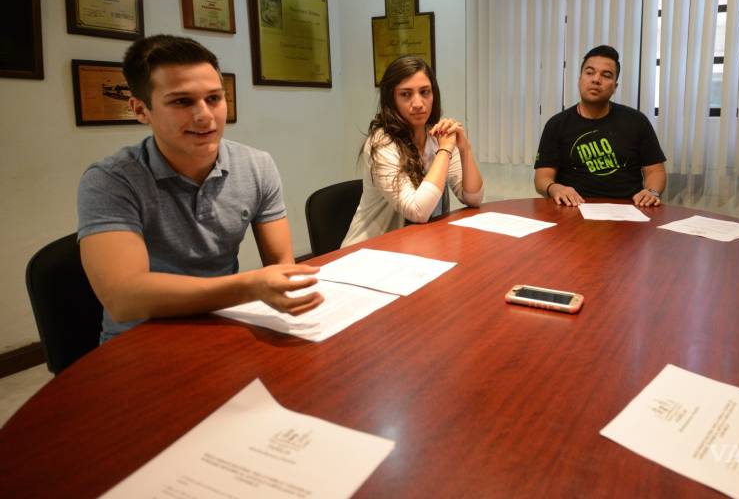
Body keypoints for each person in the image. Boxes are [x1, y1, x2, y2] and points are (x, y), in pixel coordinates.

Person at [78, 35, 323, 342]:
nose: (205, 115)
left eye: (214, 98)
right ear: (141, 110)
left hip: (223, 322)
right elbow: (124, 298)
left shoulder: (256, 165)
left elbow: (281, 264)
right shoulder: (111, 180)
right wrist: (248, 287)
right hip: (140, 339)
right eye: (182, 101)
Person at [342, 55, 484, 246]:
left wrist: (464, 148)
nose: (418, 103)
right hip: (370, 251)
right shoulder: (382, 143)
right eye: (406, 94)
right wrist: (445, 150)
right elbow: (418, 211)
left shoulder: (436, 136)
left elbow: (474, 198)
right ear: (391, 99)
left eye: (425, 92)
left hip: (417, 246)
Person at [534, 45, 667, 206]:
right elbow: (542, 178)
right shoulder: (556, 124)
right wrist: (555, 188)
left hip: (627, 209)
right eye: (589, 73)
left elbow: (655, 171)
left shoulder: (637, 121)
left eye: (606, 75)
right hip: (573, 207)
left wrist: (652, 192)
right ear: (580, 79)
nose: (596, 80)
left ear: (615, 87)